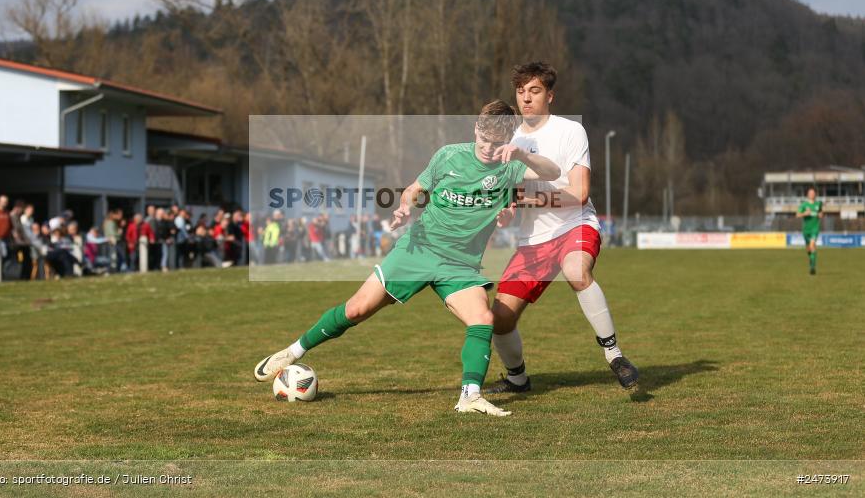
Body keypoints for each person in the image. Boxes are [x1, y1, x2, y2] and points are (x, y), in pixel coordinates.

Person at [254, 100, 561, 416]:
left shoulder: (511, 165)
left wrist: (521, 157)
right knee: (356, 309)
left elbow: (554, 171)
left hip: (459, 263)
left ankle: (470, 396)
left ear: (508, 142)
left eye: (497, 144)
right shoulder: (449, 156)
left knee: (483, 319)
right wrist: (404, 207)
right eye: (484, 140)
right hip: (419, 249)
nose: (488, 148)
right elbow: (414, 189)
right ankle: (292, 352)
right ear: (475, 130)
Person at [485, 62, 639, 396]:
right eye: (521, 91)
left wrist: (533, 201)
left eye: (535, 90)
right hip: (532, 243)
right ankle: (517, 379)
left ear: (550, 96)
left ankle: (614, 355)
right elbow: (510, 196)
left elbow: (579, 193)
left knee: (576, 270)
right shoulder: (508, 139)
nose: (526, 98)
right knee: (499, 319)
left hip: (574, 225)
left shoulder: (570, 131)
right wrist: (508, 210)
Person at [796, 186, 824, 275]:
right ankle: (811, 258)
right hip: (806, 229)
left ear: (815, 194)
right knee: (808, 249)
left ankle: (812, 267)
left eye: (813, 193)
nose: (812, 194)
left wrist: (820, 215)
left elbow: (821, 214)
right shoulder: (804, 205)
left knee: (812, 245)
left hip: (815, 228)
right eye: (810, 193)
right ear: (808, 194)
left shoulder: (819, 204)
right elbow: (797, 215)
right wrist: (805, 213)